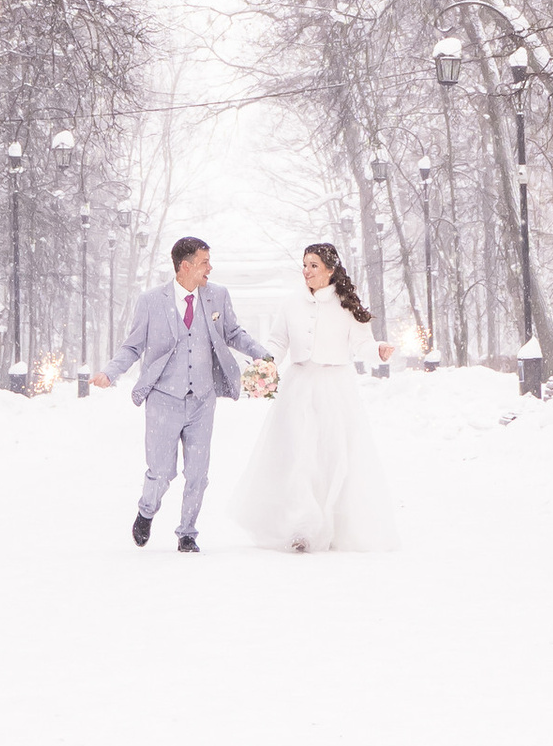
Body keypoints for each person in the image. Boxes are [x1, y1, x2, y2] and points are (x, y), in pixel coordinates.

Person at [99, 237, 270, 551]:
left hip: (202, 399)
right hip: (163, 399)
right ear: (185, 266)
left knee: (198, 472)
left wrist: (262, 355)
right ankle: (146, 510)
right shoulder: (151, 301)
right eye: (205, 262)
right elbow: (133, 346)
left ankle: (187, 532)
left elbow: (233, 333)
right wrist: (110, 372)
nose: (210, 268)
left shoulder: (217, 295)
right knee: (162, 471)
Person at [228, 242, 399, 554]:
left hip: (335, 387)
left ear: (330, 270)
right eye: (304, 265)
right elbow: (278, 340)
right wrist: (265, 366)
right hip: (299, 384)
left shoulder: (347, 304)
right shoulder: (291, 302)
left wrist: (379, 350)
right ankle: (302, 527)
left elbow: (362, 344)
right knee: (299, 454)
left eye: (313, 265)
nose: (306, 271)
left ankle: (334, 524)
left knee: (333, 456)